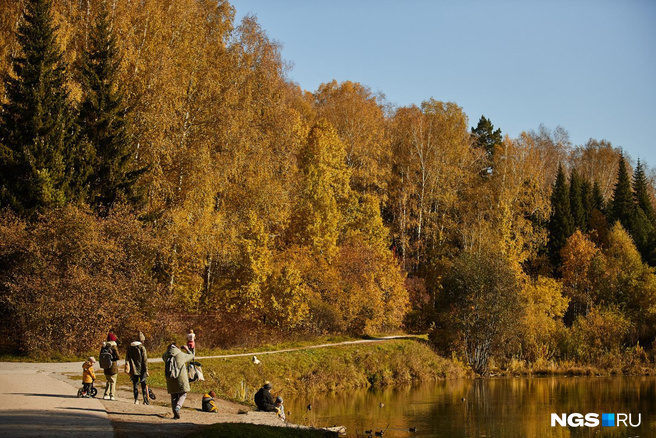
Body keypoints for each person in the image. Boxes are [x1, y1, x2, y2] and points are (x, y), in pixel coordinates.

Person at [162, 341, 195, 420]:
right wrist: (187, 349)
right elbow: (192, 356)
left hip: (170, 379)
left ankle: (174, 413)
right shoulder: (181, 354)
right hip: (181, 378)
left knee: (174, 396)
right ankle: (177, 408)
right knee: (183, 394)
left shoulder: (166, 355)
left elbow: (163, 357)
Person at [126, 331, 149, 405]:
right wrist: (146, 370)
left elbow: (127, 358)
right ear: (142, 340)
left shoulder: (130, 347)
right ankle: (145, 400)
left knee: (135, 384)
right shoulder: (142, 348)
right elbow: (144, 360)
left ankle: (136, 399)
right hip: (142, 368)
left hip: (133, 368)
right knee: (143, 384)